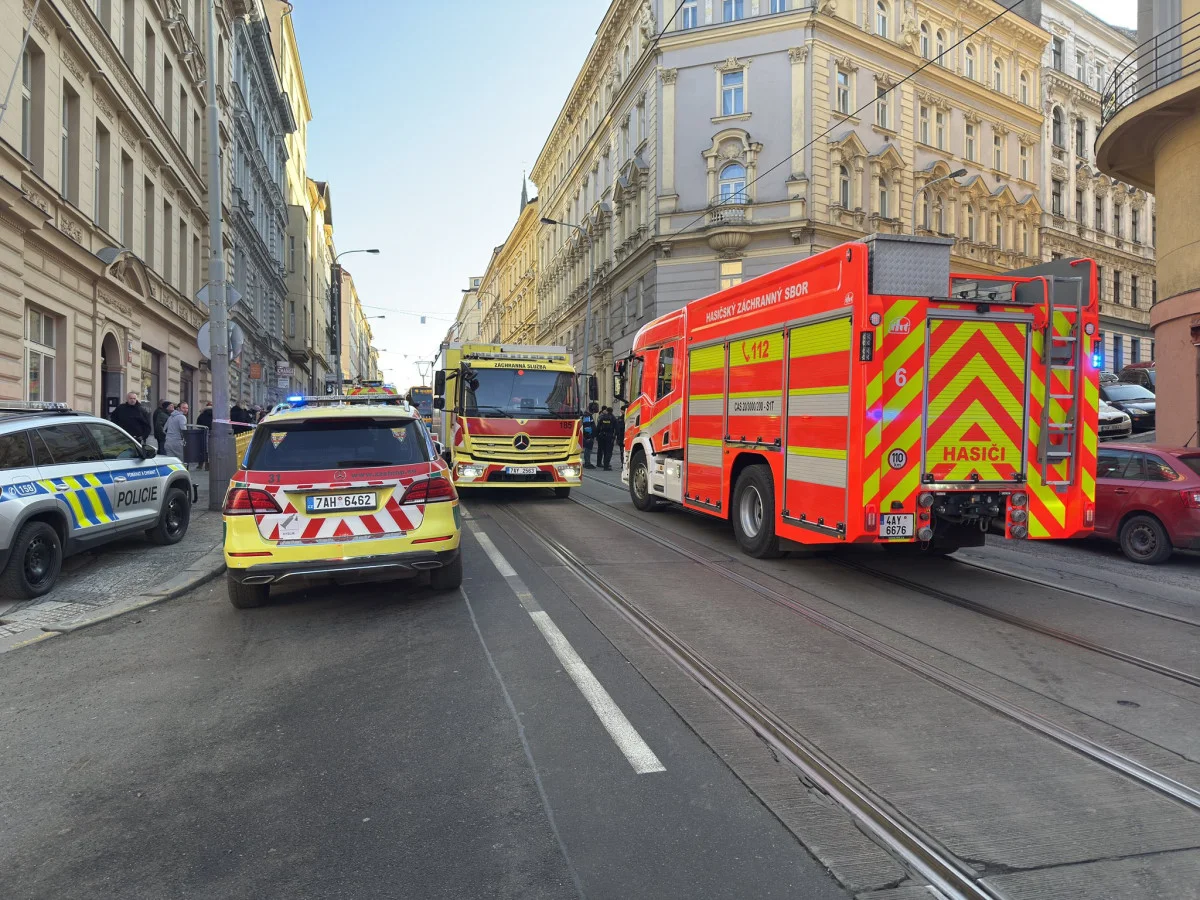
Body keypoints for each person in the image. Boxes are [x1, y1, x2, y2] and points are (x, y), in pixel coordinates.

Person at [596, 405, 616, 471]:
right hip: (609, 437)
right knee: (608, 451)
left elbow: (598, 427)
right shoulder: (613, 418)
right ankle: (606, 466)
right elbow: (617, 428)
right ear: (612, 411)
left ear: (607, 411)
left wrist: (597, 436)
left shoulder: (602, 417)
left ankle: (601, 463)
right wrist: (616, 436)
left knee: (602, 450)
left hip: (602, 436)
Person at [196, 401, 214, 470]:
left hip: (203, 433)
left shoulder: (202, 415)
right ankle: (208, 466)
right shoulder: (215, 415)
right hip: (212, 433)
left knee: (202, 449)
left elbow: (198, 424)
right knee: (210, 449)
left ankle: (200, 465)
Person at [581, 402, 598, 469]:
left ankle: (587, 462)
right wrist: (588, 437)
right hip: (588, 436)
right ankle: (587, 463)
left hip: (589, 436)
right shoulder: (587, 416)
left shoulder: (588, 415)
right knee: (588, 449)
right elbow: (587, 427)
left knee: (588, 449)